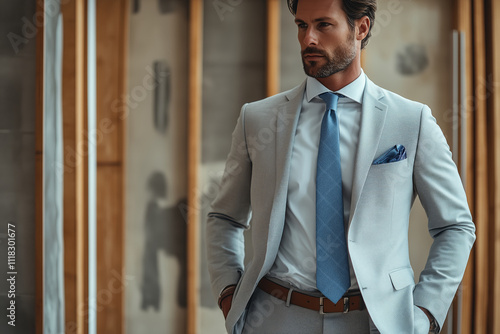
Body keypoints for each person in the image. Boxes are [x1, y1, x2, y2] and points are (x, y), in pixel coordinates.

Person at [205, 0, 476, 333]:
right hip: (274, 316)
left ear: (360, 28)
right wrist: (229, 295)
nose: (309, 39)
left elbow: (456, 226)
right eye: (302, 26)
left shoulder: (410, 121)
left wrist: (424, 313)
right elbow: (224, 218)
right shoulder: (258, 119)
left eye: (323, 25)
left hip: (376, 321)